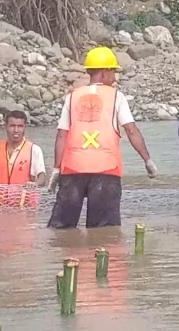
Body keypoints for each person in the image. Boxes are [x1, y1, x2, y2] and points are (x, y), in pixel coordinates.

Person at [47, 46, 158, 229]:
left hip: (73, 169)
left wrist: (56, 170)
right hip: (106, 170)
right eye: (113, 71)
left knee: (61, 228)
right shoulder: (117, 97)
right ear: (105, 72)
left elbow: (61, 135)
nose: (114, 77)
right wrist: (147, 160)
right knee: (104, 232)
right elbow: (131, 131)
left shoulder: (72, 97)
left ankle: (65, 257)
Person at [0, 110, 46, 208]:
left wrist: (35, 184)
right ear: (5, 127)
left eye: (20, 126)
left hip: (25, 208)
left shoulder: (34, 150)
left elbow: (42, 178)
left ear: (25, 127)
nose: (16, 130)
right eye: (12, 126)